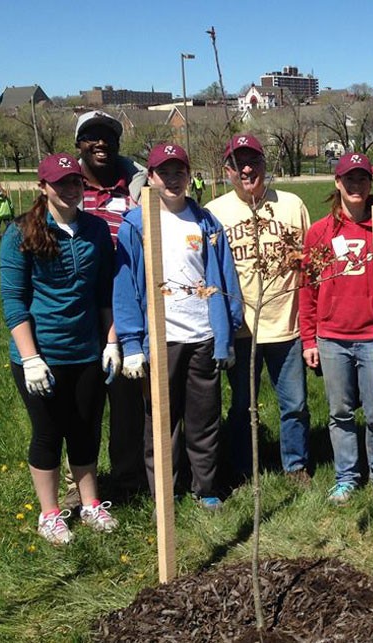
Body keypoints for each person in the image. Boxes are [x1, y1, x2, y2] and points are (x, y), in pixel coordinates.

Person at [0, 152, 121, 545]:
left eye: (76, 182)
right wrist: (31, 358)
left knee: (86, 429)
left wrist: (111, 342)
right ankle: (50, 513)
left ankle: (90, 504)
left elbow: (106, 291)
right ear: (43, 188)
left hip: (87, 350)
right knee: (48, 433)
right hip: (42, 354)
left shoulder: (96, 231)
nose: (71, 190)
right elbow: (14, 299)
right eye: (61, 183)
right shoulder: (21, 233)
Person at [113, 142, 243, 509]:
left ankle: (206, 488)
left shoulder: (205, 222)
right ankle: (164, 494)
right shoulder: (136, 225)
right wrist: (132, 344)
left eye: (179, 171)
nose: (172, 179)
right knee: (161, 423)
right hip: (162, 339)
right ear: (150, 177)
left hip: (203, 335)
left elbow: (225, 278)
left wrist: (227, 334)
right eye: (163, 172)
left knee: (204, 420)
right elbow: (125, 288)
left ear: (188, 176)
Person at [300, 152, 373, 504]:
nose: (355, 185)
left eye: (362, 179)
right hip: (333, 338)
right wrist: (308, 338)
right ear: (337, 183)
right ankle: (346, 476)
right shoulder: (320, 232)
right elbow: (308, 286)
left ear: (370, 182)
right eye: (349, 179)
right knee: (340, 412)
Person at [206, 134, 312, 486]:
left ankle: (295, 466)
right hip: (241, 329)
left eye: (254, 161)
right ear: (227, 171)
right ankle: (240, 467)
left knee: (294, 404)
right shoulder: (215, 212)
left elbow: (309, 266)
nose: (247, 169)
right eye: (238, 163)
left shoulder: (291, 205)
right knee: (240, 406)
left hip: (286, 324)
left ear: (266, 165)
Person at [71, 109, 148, 506]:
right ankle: (79, 482)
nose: (100, 142)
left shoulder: (136, 188)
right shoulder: (66, 186)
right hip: (78, 310)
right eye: (91, 136)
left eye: (108, 136)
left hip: (125, 306)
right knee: (79, 401)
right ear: (79, 144)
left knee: (126, 401)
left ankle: (127, 476)